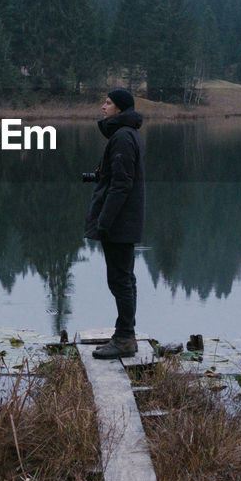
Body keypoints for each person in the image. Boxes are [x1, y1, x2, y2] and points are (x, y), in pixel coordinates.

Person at [84, 88, 145, 359]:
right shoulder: (127, 134)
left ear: (119, 109)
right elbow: (117, 178)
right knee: (124, 279)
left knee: (120, 280)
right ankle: (124, 334)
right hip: (125, 221)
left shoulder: (121, 137)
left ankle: (124, 339)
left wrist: (104, 222)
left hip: (120, 223)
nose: (102, 107)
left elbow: (121, 185)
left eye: (107, 103)